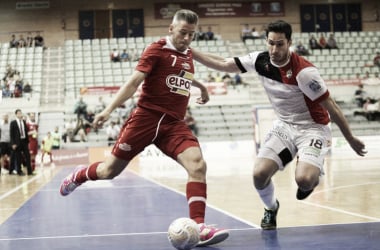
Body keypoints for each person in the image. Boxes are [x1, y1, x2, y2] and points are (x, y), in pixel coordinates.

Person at [59, 9, 229, 247]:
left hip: (173, 125)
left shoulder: (188, 53)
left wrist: (201, 87)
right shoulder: (156, 49)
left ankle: (199, 226)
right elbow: (133, 83)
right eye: (183, 33)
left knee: (198, 165)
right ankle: (78, 175)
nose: (187, 39)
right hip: (145, 120)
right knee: (109, 171)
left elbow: (182, 75)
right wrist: (107, 111)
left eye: (192, 34)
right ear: (171, 29)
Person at [192, 20, 367, 230]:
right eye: (271, 43)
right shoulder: (259, 60)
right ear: (266, 41)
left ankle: (313, 174)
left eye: (280, 44)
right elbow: (224, 64)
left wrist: (351, 139)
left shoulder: (304, 72)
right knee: (259, 175)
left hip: (313, 128)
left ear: (289, 43)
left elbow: (332, 107)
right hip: (284, 126)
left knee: (304, 180)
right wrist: (191, 52)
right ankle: (271, 208)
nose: (275, 50)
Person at [9, 109, 33, 175]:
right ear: (16, 114)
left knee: (28, 156)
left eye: (20, 113)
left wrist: (27, 141)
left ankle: (30, 171)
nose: (20, 114)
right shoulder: (13, 123)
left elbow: (25, 131)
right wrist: (13, 143)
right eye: (18, 113)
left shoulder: (24, 121)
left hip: (24, 141)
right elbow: (11, 134)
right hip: (17, 142)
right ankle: (19, 171)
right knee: (18, 157)